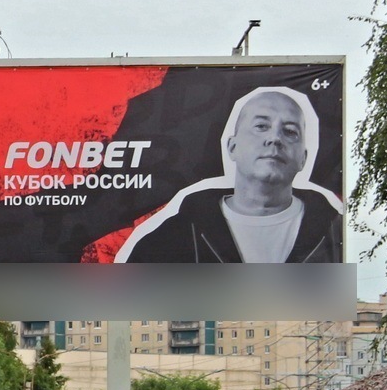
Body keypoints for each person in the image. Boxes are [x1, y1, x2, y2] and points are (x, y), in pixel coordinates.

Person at [120, 86, 343, 263]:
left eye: (290, 131)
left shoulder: (338, 234)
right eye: (261, 126)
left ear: (303, 158)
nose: (275, 138)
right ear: (232, 147)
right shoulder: (169, 241)